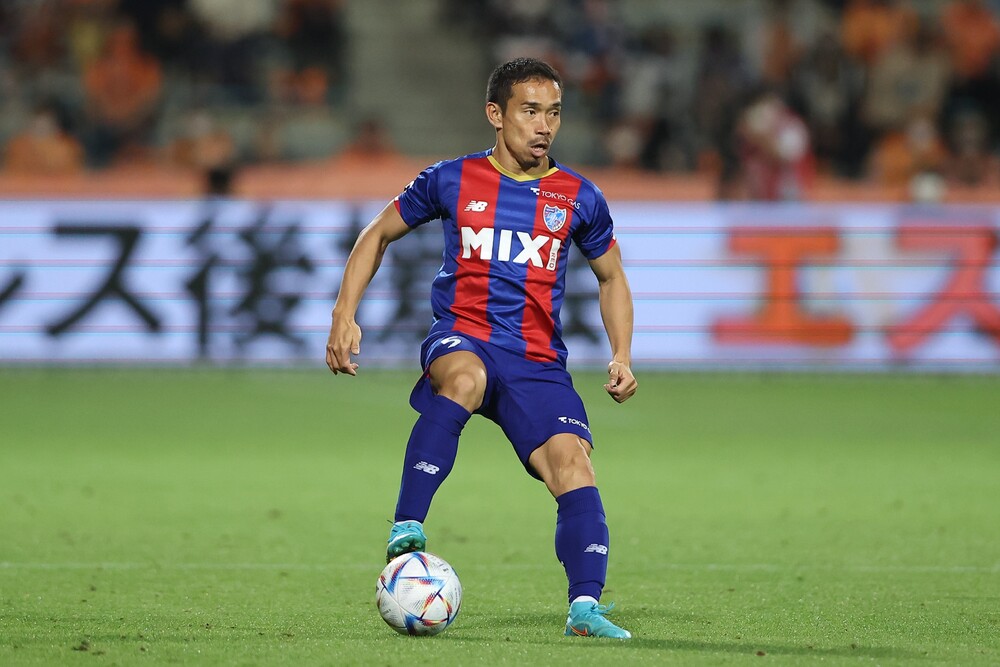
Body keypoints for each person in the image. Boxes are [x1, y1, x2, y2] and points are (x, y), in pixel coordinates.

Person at [325, 58, 637, 639]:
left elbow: (612, 277)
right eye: (530, 111)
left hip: (537, 362)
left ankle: (584, 607)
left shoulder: (579, 197)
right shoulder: (452, 179)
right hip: (463, 335)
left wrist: (621, 353)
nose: (544, 126)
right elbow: (378, 233)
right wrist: (345, 313)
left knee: (574, 465)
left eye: (554, 113)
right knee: (465, 378)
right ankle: (407, 525)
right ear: (496, 113)